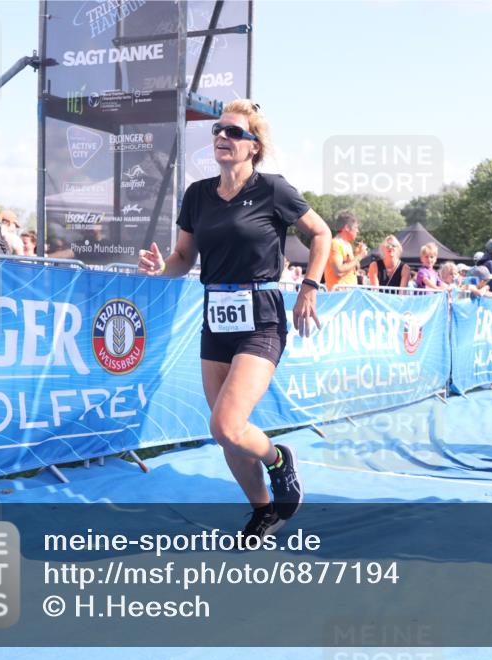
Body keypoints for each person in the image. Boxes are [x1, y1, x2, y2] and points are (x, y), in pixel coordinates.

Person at [136, 100, 332, 540]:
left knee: (225, 424)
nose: (222, 137)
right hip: (216, 320)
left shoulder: (273, 189)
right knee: (228, 435)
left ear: (254, 147)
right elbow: (184, 258)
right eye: (218, 130)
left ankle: (279, 460)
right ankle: (263, 509)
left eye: (234, 133)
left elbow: (321, 233)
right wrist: (160, 267)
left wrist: (310, 286)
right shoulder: (198, 195)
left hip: (262, 319)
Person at [324, 210, 367, 290]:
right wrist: (359, 257)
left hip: (348, 293)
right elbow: (338, 271)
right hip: (339, 293)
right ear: (347, 228)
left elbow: (353, 268)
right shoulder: (335, 244)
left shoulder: (348, 245)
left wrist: (357, 255)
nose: (358, 231)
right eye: (356, 227)